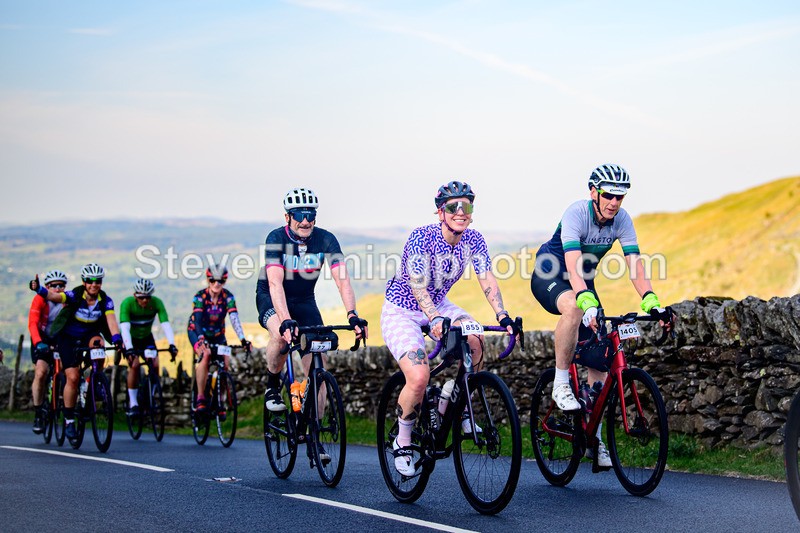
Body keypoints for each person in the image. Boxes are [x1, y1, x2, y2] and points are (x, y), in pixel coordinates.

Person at [530, 163, 673, 468]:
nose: (614, 203)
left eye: (620, 197)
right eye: (609, 195)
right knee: (575, 307)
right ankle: (560, 383)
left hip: (583, 278)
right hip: (552, 271)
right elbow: (571, 262)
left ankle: (592, 436)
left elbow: (635, 263)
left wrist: (651, 301)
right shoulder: (576, 213)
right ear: (594, 192)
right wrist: (585, 299)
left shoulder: (621, 220)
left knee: (600, 354)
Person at [381, 180, 519, 476]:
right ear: (440, 212)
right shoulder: (422, 237)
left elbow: (487, 280)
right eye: (453, 207)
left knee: (475, 336)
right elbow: (417, 285)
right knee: (418, 377)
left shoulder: (474, 240)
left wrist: (503, 315)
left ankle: (461, 408)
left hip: (440, 305)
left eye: (466, 206)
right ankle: (402, 439)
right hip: (403, 310)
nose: (460, 212)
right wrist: (432, 319)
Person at [257, 188, 367, 417]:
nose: (305, 220)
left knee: (319, 366)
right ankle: (272, 385)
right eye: (299, 214)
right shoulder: (276, 238)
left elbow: (343, 281)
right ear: (287, 217)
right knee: (279, 334)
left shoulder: (326, 239)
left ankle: (313, 433)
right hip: (272, 296)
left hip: (305, 300)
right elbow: (275, 284)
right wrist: (285, 320)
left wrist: (352, 315)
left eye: (310, 214)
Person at [29, 263, 122, 443]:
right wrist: (39, 289)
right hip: (68, 338)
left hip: (89, 333)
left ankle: (95, 380)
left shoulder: (105, 300)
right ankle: (69, 420)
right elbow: (54, 296)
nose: (94, 284)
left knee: (99, 345)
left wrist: (117, 338)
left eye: (98, 281)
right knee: (72, 376)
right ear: (84, 282)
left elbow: (111, 321)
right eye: (90, 281)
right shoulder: (74, 295)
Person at [188, 264, 251, 413]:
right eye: (213, 280)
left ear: (224, 281)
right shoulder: (200, 296)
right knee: (206, 355)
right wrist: (201, 339)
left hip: (218, 335)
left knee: (225, 364)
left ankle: (220, 400)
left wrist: (243, 339)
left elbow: (234, 318)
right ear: (208, 280)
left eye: (220, 281)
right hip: (197, 332)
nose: (216, 284)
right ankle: (201, 398)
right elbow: (196, 320)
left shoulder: (228, 297)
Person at [119, 279, 178, 416]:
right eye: (141, 297)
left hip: (146, 338)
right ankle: (133, 403)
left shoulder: (157, 303)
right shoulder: (127, 304)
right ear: (135, 295)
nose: (145, 300)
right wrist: (129, 348)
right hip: (131, 339)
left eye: (147, 297)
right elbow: (125, 328)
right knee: (134, 365)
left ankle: (150, 396)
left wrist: (172, 344)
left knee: (155, 363)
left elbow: (165, 324)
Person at [27, 269, 67, 434]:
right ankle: (38, 412)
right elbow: (32, 323)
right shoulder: (40, 299)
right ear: (46, 287)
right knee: (41, 372)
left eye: (61, 285)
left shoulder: (67, 301)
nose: (57, 289)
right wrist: (38, 343)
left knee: (69, 370)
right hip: (42, 338)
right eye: (53, 286)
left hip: (60, 339)